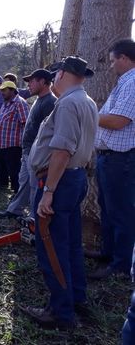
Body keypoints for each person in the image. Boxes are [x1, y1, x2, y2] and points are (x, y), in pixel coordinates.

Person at [22, 56, 98, 329]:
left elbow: (62, 150)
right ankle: (76, 297)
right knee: (69, 244)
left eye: (56, 74)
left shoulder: (67, 103)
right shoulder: (87, 101)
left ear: (63, 73)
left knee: (51, 245)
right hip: (75, 179)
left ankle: (60, 312)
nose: (54, 79)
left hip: (59, 181)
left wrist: (49, 191)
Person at [91, 38, 135, 280]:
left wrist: (90, 115)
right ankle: (108, 254)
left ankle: (120, 266)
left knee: (121, 211)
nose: (111, 66)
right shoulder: (124, 82)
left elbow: (119, 121)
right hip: (109, 157)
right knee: (108, 208)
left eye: (112, 61)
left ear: (124, 59)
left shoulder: (133, 82)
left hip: (121, 159)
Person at [0, 69, 56, 219]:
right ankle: (15, 209)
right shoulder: (38, 99)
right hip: (28, 150)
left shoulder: (50, 102)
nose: (28, 84)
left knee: (34, 186)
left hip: (37, 152)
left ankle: (33, 218)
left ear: (43, 82)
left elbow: (49, 132)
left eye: (32, 81)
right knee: (24, 182)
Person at [0, 81, 29, 191]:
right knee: (0, 167)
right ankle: (2, 184)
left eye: (4, 90)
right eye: (1, 90)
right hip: (1, 143)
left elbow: (25, 123)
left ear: (12, 90)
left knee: (14, 170)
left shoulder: (20, 103)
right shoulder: (6, 103)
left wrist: (24, 142)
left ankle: (16, 190)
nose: (2, 93)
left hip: (13, 145)